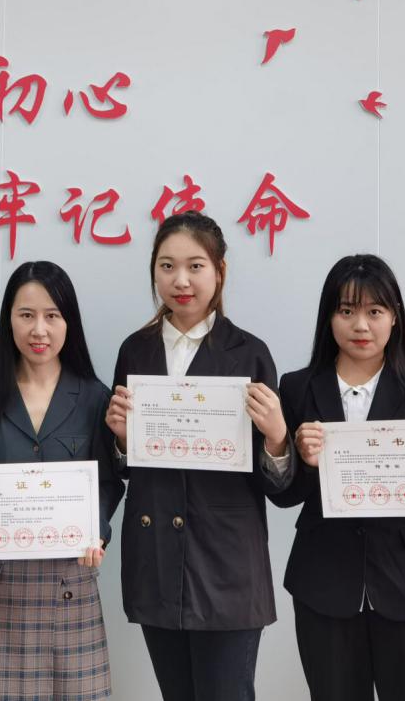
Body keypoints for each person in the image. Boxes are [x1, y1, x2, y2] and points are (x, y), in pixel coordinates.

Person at [103, 211, 292, 701]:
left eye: (195, 266)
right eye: (166, 266)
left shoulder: (249, 353)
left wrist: (277, 438)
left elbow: (276, 484)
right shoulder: (135, 350)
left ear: (219, 271)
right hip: (156, 555)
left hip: (226, 561)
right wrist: (120, 438)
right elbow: (124, 466)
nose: (180, 281)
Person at [279, 254, 405, 701]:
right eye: (346, 311)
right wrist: (302, 461)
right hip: (324, 582)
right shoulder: (296, 387)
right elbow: (284, 495)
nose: (361, 325)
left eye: (374, 311)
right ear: (329, 317)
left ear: (394, 317)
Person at [0, 261, 124, 701]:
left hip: (69, 588)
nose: (39, 329)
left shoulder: (96, 399)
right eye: (26, 315)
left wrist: (97, 532)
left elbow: (108, 483)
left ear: (69, 322)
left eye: (52, 315)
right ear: (9, 319)